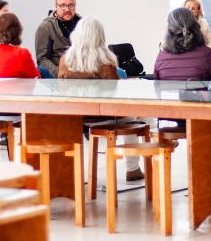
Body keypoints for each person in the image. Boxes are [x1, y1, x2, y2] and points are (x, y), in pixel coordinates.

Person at [58, 16, 147, 181]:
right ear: (100, 37)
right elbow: (115, 94)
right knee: (139, 115)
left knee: (135, 116)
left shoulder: (65, 60)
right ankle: (133, 167)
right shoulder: (104, 62)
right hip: (105, 117)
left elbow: (62, 89)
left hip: (78, 118)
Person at [154, 7, 211, 81]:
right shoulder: (206, 54)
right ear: (195, 27)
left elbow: (156, 85)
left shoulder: (161, 57)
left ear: (169, 30)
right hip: (200, 89)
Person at [0, 12, 40, 78]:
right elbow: (36, 78)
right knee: (42, 70)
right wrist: (17, 45)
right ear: (17, 30)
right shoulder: (21, 54)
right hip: (14, 84)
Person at [35, 0, 82, 77]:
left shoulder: (82, 24)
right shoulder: (45, 27)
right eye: (63, 5)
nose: (67, 9)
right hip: (58, 77)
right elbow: (42, 59)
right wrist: (61, 74)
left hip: (83, 75)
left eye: (71, 5)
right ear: (56, 6)